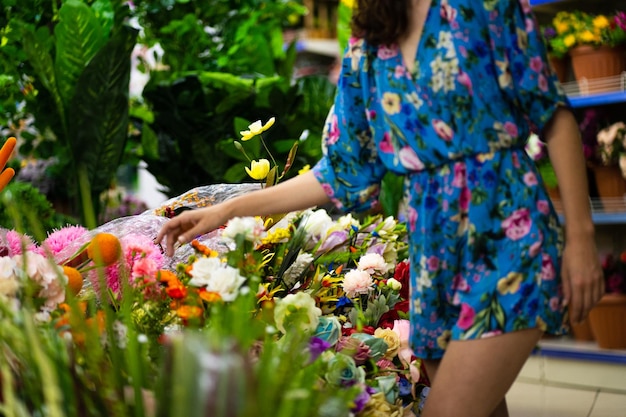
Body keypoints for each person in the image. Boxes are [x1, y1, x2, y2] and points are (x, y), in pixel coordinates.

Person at [157, 0, 605, 415]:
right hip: (435, 258)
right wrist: (227, 211)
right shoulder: (369, 43)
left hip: (509, 238)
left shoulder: (483, 6)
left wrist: (580, 240)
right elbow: (337, 173)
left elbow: (552, 113)